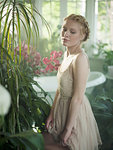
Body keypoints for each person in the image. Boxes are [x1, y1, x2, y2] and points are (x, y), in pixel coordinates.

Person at [43, 14, 102, 150]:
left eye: (72, 31)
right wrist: (52, 113)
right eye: (64, 29)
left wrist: (68, 128)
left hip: (74, 113)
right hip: (61, 109)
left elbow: (77, 97)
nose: (66, 34)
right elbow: (60, 88)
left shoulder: (80, 58)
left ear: (82, 35)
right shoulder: (67, 54)